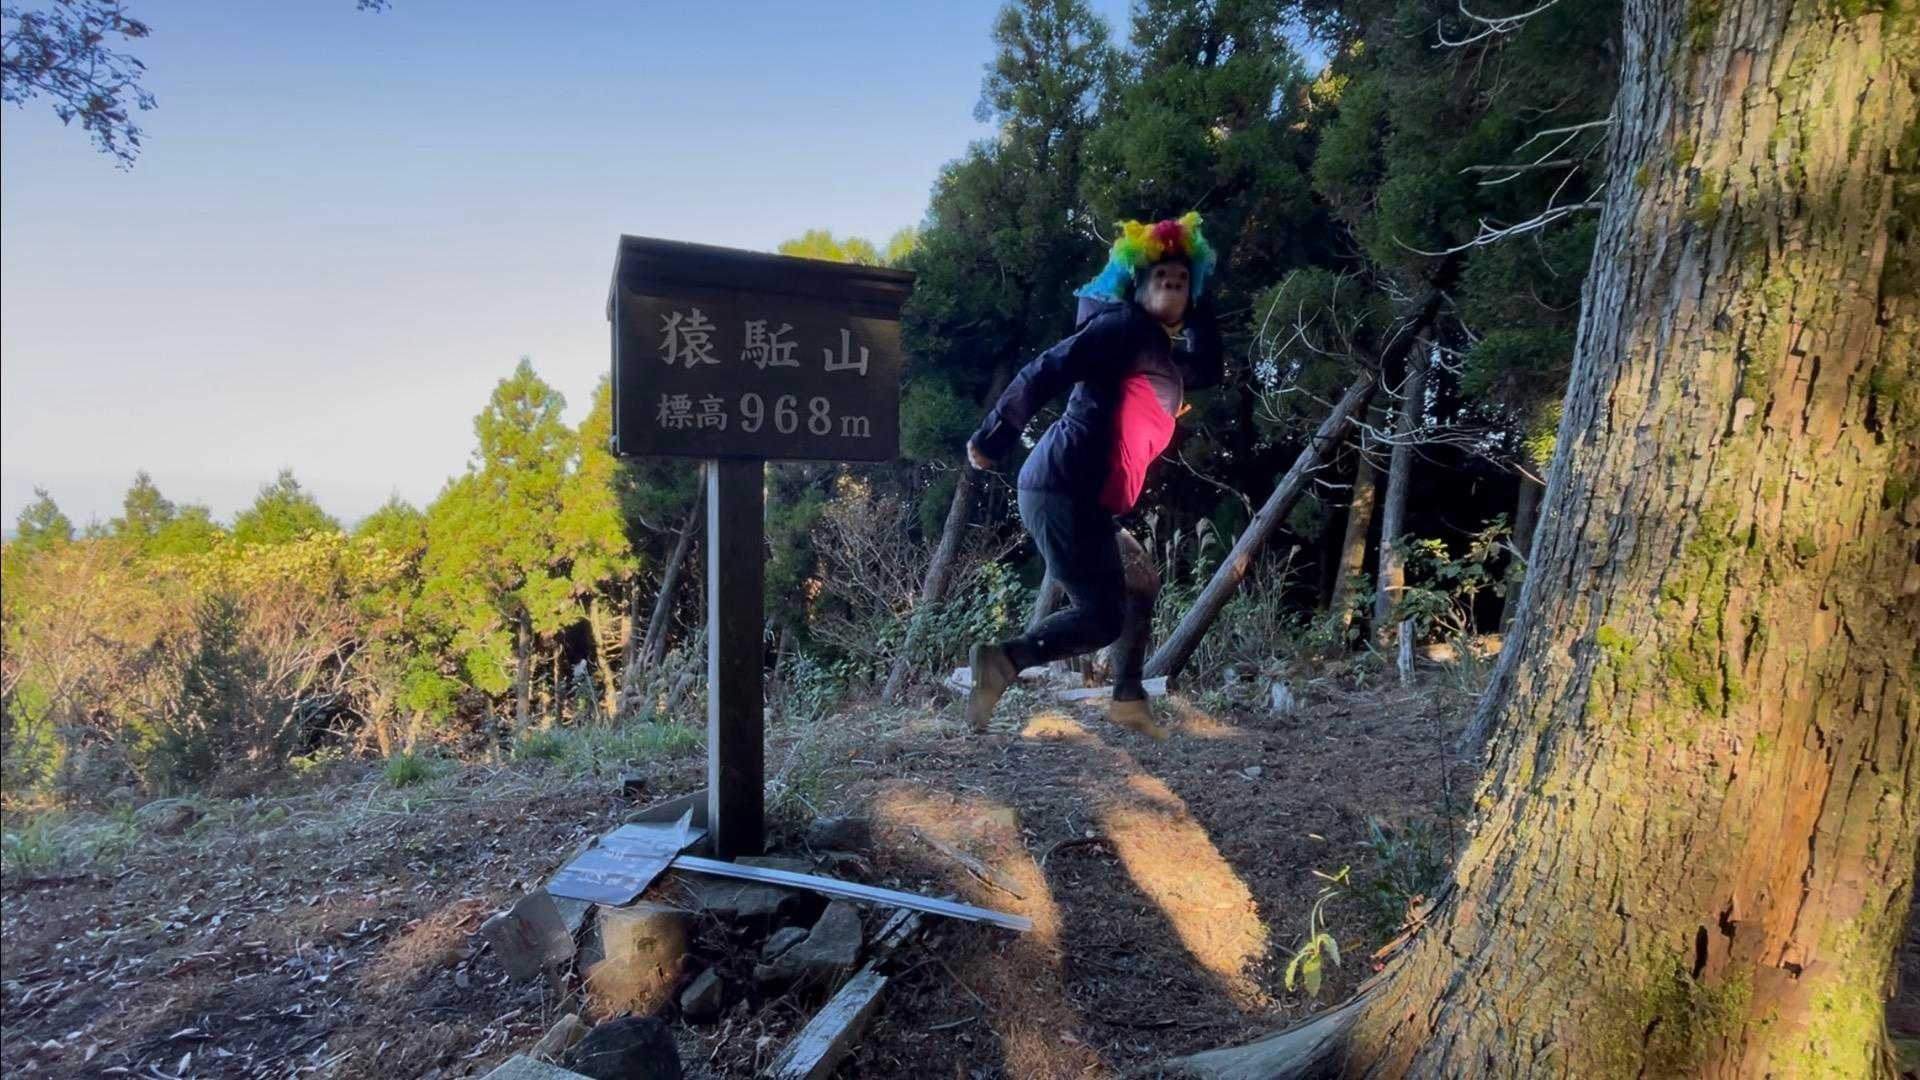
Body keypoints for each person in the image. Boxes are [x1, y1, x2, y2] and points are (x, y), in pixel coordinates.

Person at [963, 213, 1222, 738]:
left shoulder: (1156, 350)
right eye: (1160, 277)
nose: (1171, 286)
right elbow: (1046, 368)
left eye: (1181, 280)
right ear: (1137, 286)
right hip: (1061, 486)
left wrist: (1200, 305)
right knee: (1101, 617)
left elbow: (1209, 368)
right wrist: (994, 436)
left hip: (1083, 495)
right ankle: (1003, 660)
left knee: (1141, 582)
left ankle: (1128, 700)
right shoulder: (1121, 327)